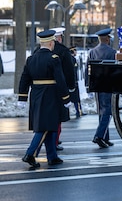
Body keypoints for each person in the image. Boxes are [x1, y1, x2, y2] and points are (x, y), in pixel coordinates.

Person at [18, 30, 72, 169]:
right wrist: (66, 98)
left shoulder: (31, 58)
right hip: (50, 95)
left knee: (51, 126)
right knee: (45, 127)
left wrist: (22, 97)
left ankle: (52, 156)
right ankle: (30, 153)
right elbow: (60, 80)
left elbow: (25, 78)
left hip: (36, 94)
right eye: (53, 42)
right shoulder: (53, 58)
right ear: (50, 43)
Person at [86, 28, 116, 148]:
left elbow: (87, 70)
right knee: (107, 112)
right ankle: (99, 136)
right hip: (108, 85)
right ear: (108, 39)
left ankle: (105, 137)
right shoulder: (112, 52)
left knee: (101, 111)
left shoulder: (92, 52)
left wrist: (88, 85)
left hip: (97, 85)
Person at [50, 27, 76, 151]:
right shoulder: (64, 51)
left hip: (43, 89)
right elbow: (69, 71)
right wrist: (71, 87)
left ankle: (52, 140)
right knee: (58, 117)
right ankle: (54, 141)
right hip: (60, 88)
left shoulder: (39, 50)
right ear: (59, 38)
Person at [70, 45, 85, 118]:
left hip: (72, 81)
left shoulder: (71, 59)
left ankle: (78, 111)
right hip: (73, 81)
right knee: (76, 98)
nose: (76, 52)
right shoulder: (72, 59)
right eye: (75, 50)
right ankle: (78, 111)